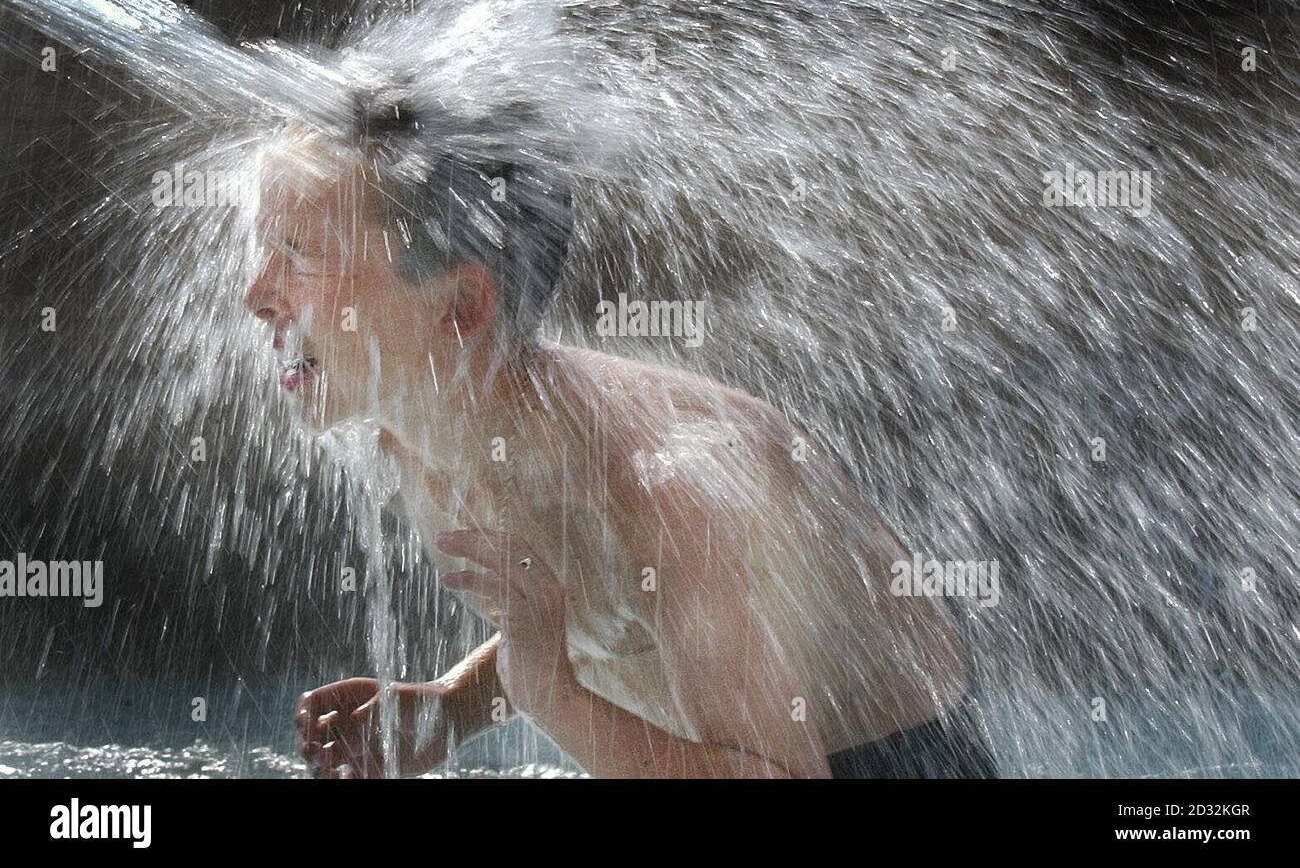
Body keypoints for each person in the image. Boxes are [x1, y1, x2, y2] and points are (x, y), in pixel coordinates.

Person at [246, 97, 996, 778]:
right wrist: (452, 711)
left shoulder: (676, 486)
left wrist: (554, 701)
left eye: (301, 255)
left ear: (460, 309)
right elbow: (610, 613)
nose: (256, 295)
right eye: (264, 249)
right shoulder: (406, 428)